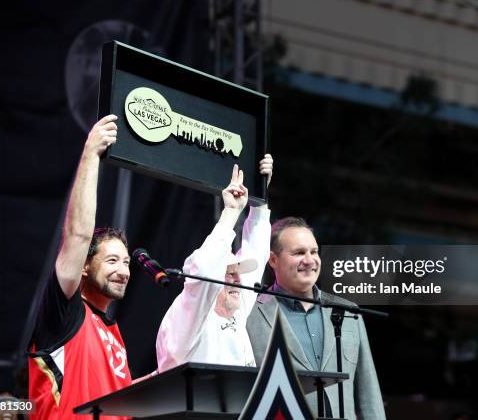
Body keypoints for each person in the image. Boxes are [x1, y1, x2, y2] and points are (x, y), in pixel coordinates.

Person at [28, 115, 133, 420]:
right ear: (85, 267)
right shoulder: (64, 313)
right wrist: (91, 154)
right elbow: (78, 236)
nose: (123, 271)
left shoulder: (112, 332)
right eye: (112, 260)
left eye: (125, 262)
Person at [246, 217, 386, 420]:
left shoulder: (348, 312)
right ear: (273, 260)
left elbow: (369, 393)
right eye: (299, 253)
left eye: (314, 251)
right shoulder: (251, 315)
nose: (310, 260)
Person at [156, 155, 273, 371]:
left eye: (237, 272)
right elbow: (204, 270)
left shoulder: (236, 309)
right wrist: (231, 212)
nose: (238, 278)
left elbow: (257, 251)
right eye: (229, 273)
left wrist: (260, 199)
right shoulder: (191, 315)